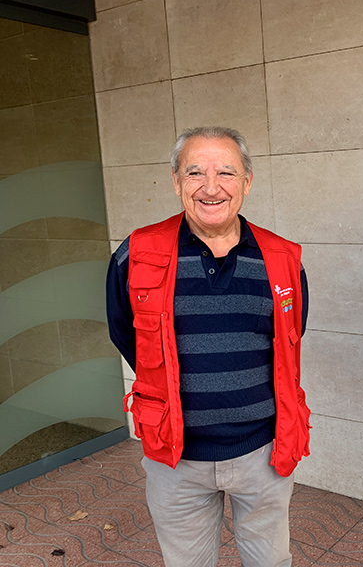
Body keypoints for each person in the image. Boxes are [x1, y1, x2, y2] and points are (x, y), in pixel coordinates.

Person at [106, 126, 310, 567]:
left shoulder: (281, 259)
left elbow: (290, 339)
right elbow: (126, 334)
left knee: (272, 562)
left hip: (264, 454)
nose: (211, 187)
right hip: (175, 457)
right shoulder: (138, 253)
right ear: (176, 180)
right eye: (195, 172)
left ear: (247, 182)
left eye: (227, 173)